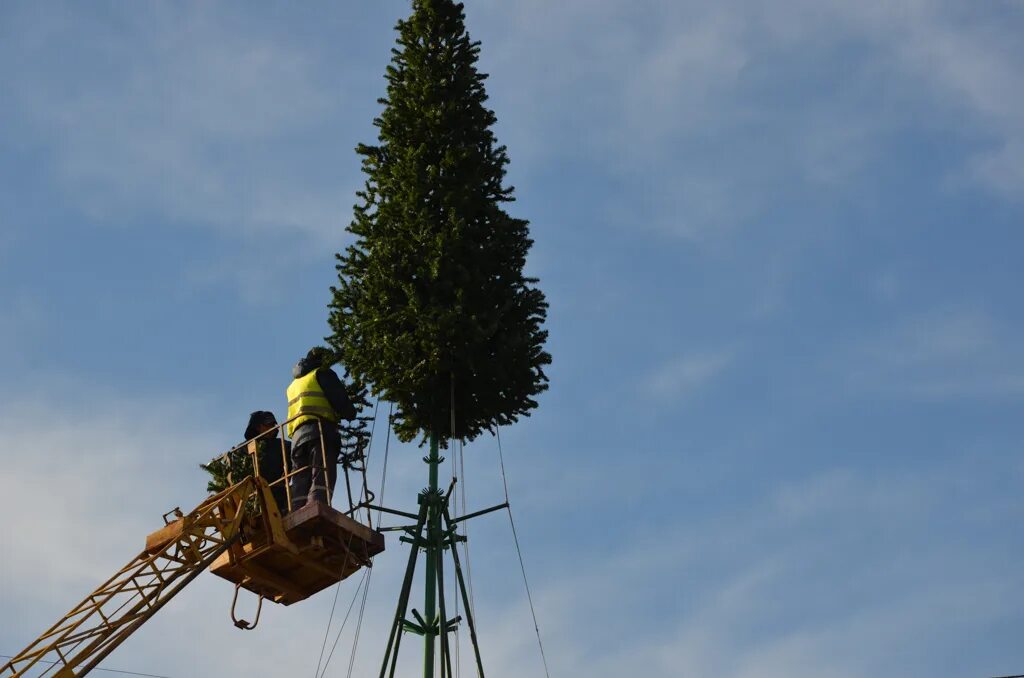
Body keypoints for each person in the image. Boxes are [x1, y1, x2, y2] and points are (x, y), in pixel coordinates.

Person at [286, 347, 357, 510]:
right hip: (319, 431)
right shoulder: (322, 373)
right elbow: (339, 399)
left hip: (297, 438)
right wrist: (350, 412)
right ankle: (316, 505)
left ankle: (297, 509)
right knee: (322, 471)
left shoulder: (293, 385)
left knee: (300, 477)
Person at [243, 410, 291, 514]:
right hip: (253, 499)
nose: (273, 427)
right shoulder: (243, 450)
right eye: (268, 424)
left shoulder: (282, 445)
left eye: (274, 424)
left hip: (278, 495)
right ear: (258, 427)